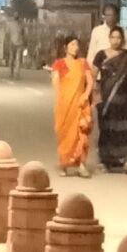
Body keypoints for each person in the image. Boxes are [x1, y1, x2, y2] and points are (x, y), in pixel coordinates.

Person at [92, 26, 127, 173]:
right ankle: (105, 160)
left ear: (123, 40)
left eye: (118, 38)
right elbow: (93, 75)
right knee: (107, 128)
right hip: (107, 99)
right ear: (109, 38)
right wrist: (93, 93)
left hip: (125, 100)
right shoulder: (101, 55)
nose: (116, 40)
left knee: (126, 129)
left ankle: (126, 159)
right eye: (113, 37)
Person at [51, 35, 93, 177]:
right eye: (72, 45)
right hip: (65, 105)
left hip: (81, 105)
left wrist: (86, 94)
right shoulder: (59, 64)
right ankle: (64, 163)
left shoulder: (83, 63)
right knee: (65, 135)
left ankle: (81, 164)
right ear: (65, 47)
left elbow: (90, 81)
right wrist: (61, 101)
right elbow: (56, 85)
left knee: (82, 135)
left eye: (76, 45)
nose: (75, 48)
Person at [7, 14, 25, 79]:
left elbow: (23, 34)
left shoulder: (21, 25)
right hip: (12, 44)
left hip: (19, 44)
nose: (17, 19)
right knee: (12, 59)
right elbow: (8, 34)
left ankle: (17, 73)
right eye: (16, 17)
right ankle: (11, 72)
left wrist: (24, 42)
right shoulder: (10, 25)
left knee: (18, 59)